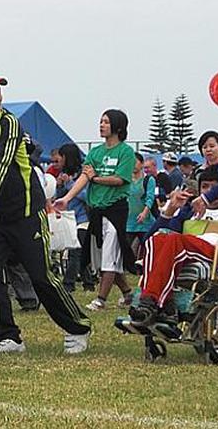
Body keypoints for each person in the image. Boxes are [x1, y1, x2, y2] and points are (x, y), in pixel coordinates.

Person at [0, 67, 91, 354]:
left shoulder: (9, 124)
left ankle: (78, 328)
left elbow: (1, 168)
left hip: (27, 213)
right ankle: (8, 336)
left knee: (41, 276)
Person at [129, 166, 218, 326]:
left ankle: (151, 302)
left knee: (174, 240)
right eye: (205, 187)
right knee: (158, 239)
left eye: (215, 187)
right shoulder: (190, 212)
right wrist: (170, 210)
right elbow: (150, 241)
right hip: (188, 253)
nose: (209, 191)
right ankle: (164, 306)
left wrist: (208, 198)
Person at [55, 109, 137, 312]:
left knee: (110, 254)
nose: (101, 125)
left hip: (116, 209)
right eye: (100, 121)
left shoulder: (126, 152)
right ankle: (128, 294)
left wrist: (95, 178)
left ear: (117, 126)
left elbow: (120, 179)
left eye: (106, 122)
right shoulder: (95, 153)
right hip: (97, 211)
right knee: (104, 255)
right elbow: (84, 177)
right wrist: (66, 198)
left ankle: (101, 299)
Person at [56, 143, 94, 292]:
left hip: (83, 219)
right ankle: (88, 283)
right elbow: (60, 198)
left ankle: (68, 284)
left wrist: (70, 184)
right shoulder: (64, 175)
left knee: (74, 253)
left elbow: (86, 197)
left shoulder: (82, 174)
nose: (58, 160)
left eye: (61, 156)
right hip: (69, 219)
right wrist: (59, 186)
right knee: (80, 253)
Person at [127, 152, 156, 256]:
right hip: (129, 222)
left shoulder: (148, 180)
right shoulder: (126, 180)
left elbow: (150, 198)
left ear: (142, 163)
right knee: (126, 248)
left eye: (135, 162)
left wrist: (144, 213)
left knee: (147, 248)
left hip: (145, 222)